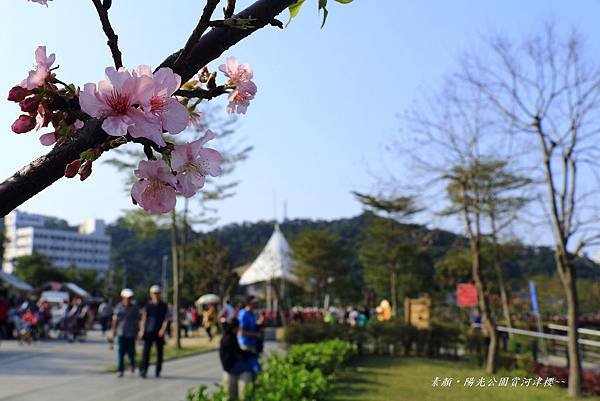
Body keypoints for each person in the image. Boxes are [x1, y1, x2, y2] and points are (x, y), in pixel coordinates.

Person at [219, 318, 254, 400]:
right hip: (230, 365)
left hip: (228, 364)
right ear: (235, 327)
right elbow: (237, 352)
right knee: (249, 368)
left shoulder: (227, 335)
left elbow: (237, 352)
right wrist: (249, 354)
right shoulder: (230, 338)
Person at [139, 285, 168, 378]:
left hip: (159, 331)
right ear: (151, 294)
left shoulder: (163, 306)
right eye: (154, 293)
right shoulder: (148, 306)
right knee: (146, 352)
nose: (156, 295)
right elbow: (144, 319)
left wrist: (163, 329)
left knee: (160, 352)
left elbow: (166, 319)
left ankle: (158, 370)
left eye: (157, 293)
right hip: (149, 330)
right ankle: (144, 369)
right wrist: (142, 330)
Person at [110, 288, 139, 378]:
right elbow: (115, 320)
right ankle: (120, 370)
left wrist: (137, 332)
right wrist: (113, 331)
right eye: (126, 298)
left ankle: (132, 364)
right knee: (120, 352)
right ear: (123, 298)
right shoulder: (119, 307)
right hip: (121, 332)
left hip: (131, 333)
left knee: (131, 352)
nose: (128, 299)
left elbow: (137, 321)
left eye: (129, 298)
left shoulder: (134, 308)